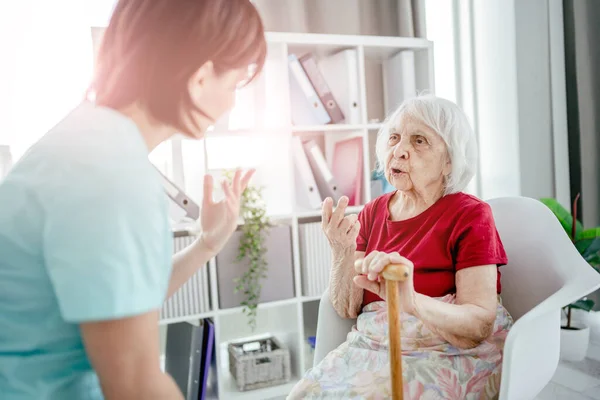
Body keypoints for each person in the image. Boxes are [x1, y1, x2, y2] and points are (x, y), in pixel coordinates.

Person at [0, 1, 266, 399]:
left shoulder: (86, 139)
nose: (231, 104)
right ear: (200, 76)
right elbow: (134, 384)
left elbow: (116, 299)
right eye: (234, 85)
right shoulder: (112, 174)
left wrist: (206, 244)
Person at [288, 94, 513, 399]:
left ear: (450, 160)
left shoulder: (470, 214)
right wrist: (341, 250)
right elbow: (345, 307)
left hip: (446, 355)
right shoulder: (373, 212)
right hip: (373, 348)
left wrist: (412, 302)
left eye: (419, 141)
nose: (399, 151)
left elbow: (479, 324)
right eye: (394, 138)